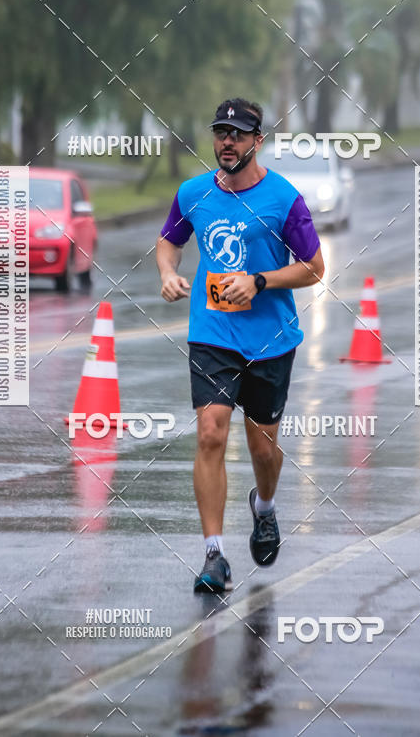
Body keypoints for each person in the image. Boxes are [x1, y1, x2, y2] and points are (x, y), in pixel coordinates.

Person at [156, 97, 325, 593]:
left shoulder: (283, 197)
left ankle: (265, 507)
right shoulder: (193, 193)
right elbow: (169, 240)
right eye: (220, 132)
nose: (226, 142)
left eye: (237, 134)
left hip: (270, 339)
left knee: (262, 448)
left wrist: (260, 281)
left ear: (257, 141)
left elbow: (315, 267)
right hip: (213, 333)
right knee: (210, 432)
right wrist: (168, 272)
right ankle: (214, 556)